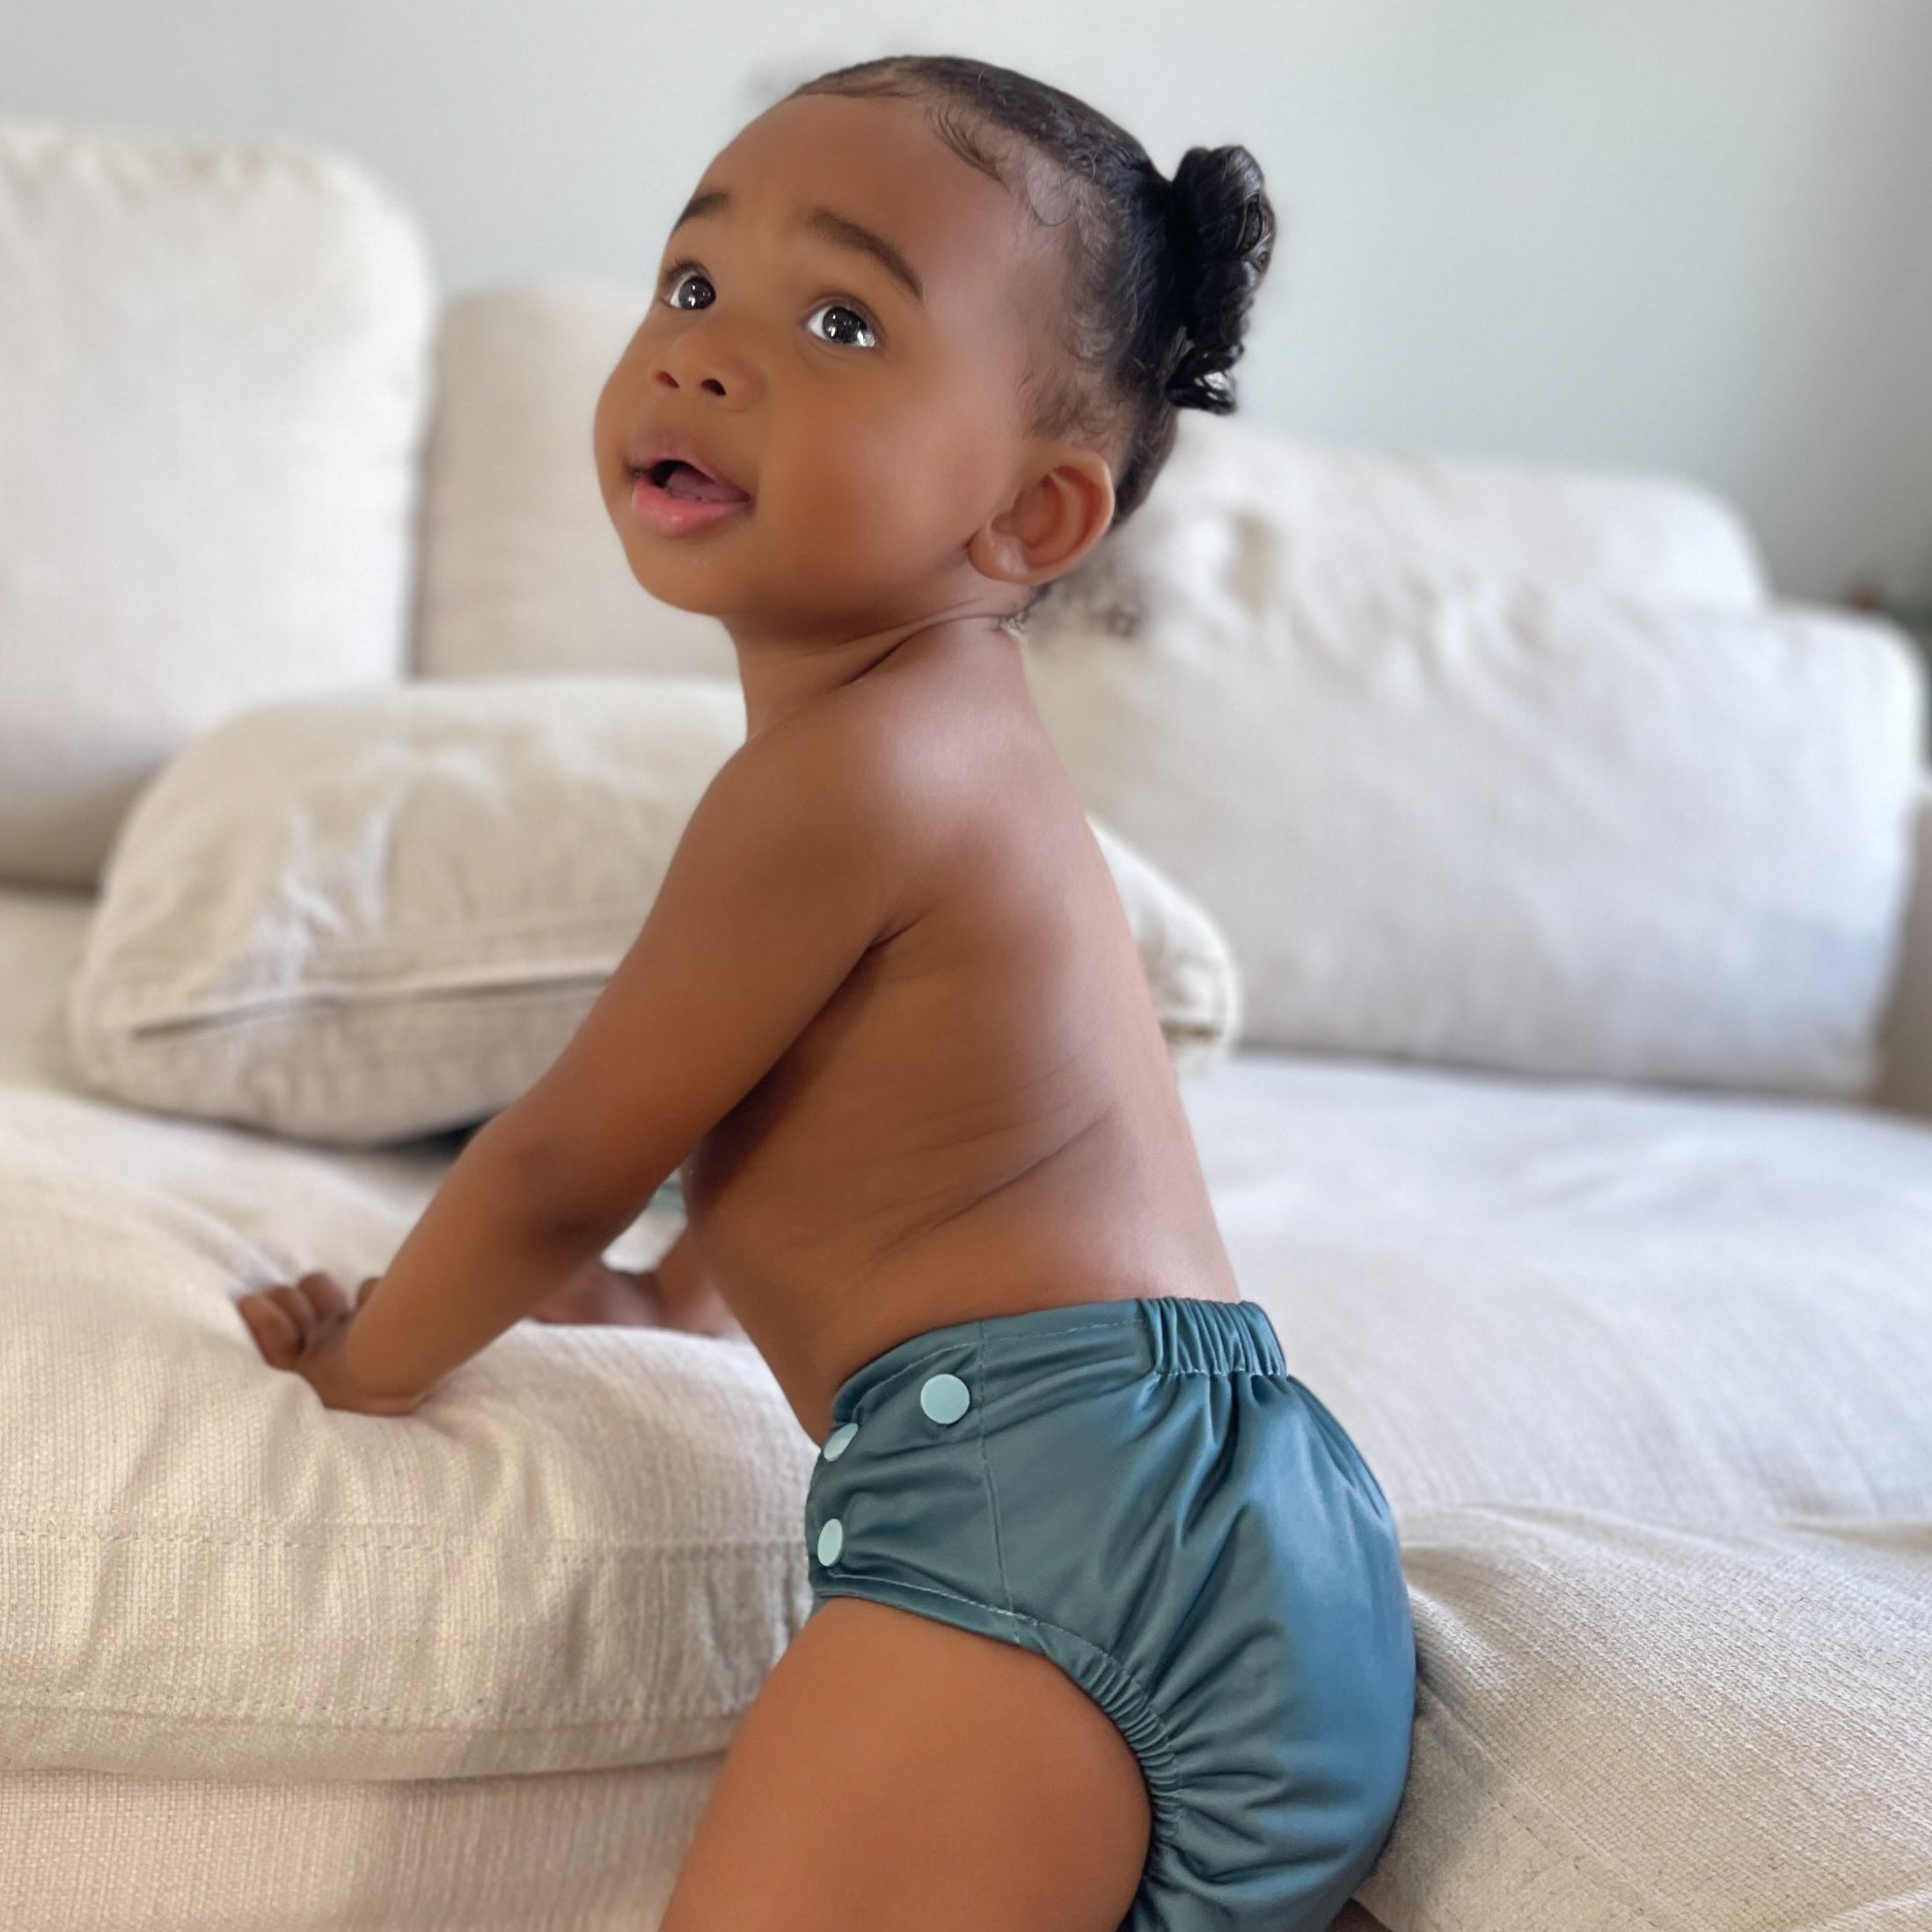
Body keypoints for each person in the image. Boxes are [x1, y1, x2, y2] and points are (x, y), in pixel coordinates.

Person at [238, 53, 1415, 1932]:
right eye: (693, 285)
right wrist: (655, 1302)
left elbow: (560, 1155)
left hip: (1059, 1533)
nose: (704, 352)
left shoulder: (841, 776)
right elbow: (875, 1152)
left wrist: (370, 1366)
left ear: (1029, 520)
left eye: (846, 317)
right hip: (1231, 1518)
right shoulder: (962, 748)